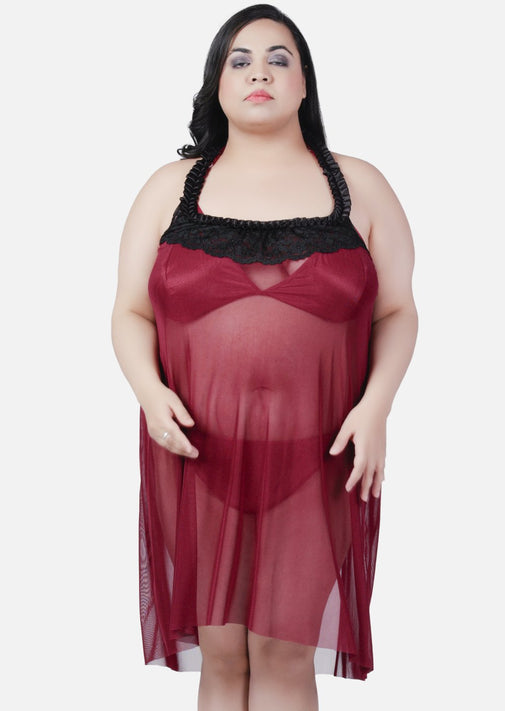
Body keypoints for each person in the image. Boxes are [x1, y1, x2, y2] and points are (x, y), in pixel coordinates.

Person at [111, 4, 418, 710]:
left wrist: (376, 408)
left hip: (319, 457)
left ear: (305, 84)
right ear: (216, 84)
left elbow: (397, 311)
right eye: (240, 61)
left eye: (280, 60)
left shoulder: (360, 185)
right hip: (197, 457)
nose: (260, 73)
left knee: (284, 653)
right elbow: (128, 312)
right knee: (222, 656)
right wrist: (150, 394)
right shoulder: (168, 187)